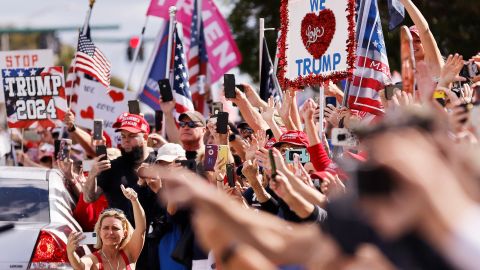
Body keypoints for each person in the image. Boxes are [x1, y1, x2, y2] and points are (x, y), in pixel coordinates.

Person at [67, 185, 146, 270]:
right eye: (106, 228)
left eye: (115, 228)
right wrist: (71, 253)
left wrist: (134, 200)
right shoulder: (93, 260)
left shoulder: (129, 254)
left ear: (124, 233)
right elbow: (80, 266)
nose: (110, 232)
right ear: (99, 232)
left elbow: (141, 229)